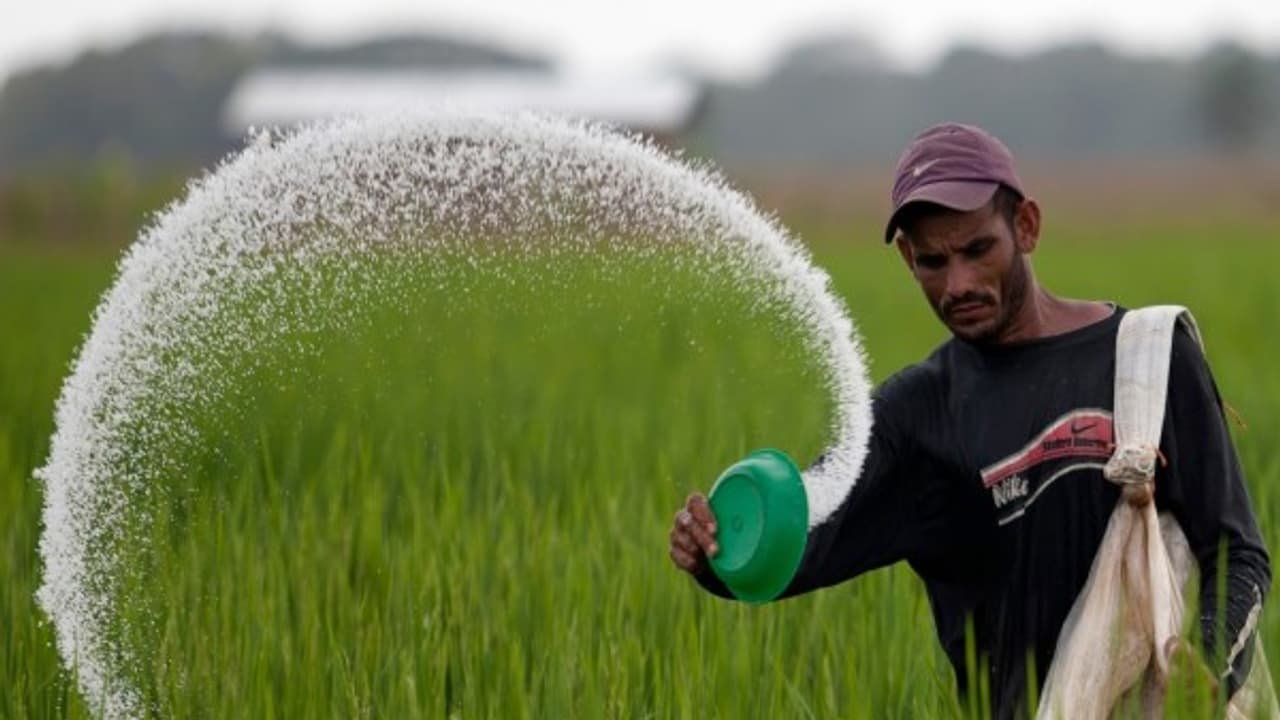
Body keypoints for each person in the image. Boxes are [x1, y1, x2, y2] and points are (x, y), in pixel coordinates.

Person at [667, 122, 1272, 719]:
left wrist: (1208, 676)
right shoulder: (918, 415)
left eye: (978, 250)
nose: (958, 284)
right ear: (908, 257)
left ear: (1026, 226)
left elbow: (1235, 549)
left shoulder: (1147, 356)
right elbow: (805, 537)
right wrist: (715, 553)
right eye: (933, 262)